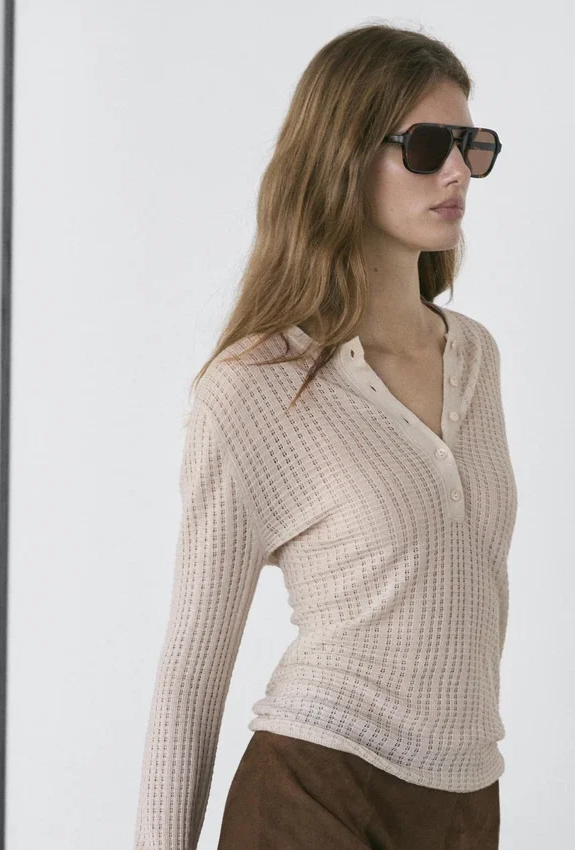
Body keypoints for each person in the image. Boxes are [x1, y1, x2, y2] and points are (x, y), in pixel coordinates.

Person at [133, 22, 516, 850]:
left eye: (471, 146)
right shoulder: (255, 386)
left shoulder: (476, 358)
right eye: (426, 146)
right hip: (317, 792)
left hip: (466, 800)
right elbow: (192, 675)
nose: (457, 171)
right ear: (343, 157)